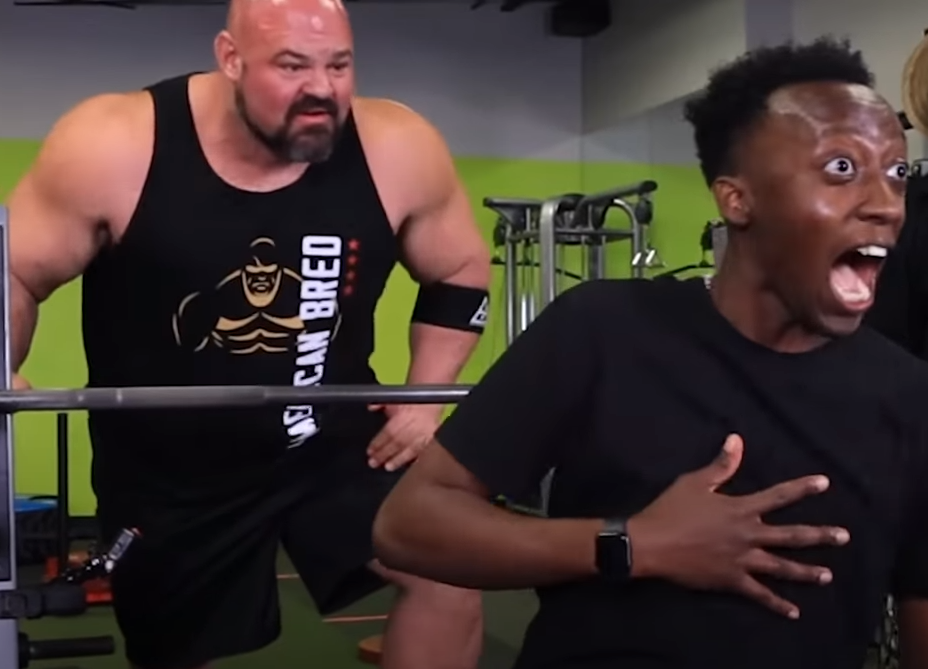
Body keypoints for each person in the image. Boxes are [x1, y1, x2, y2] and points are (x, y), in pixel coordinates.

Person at [372, 37, 928, 669]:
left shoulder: (909, 397)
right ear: (737, 198)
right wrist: (633, 543)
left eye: (897, 173)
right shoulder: (601, 329)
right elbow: (408, 525)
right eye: (842, 169)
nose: (885, 205)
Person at [5, 0, 491, 668]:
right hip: (168, 468)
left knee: (449, 570)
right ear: (230, 58)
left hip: (331, 439)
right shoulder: (114, 143)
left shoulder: (396, 147)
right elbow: (15, 273)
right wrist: (3, 359)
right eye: (292, 66)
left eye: (338, 65)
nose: (321, 89)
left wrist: (424, 399)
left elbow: (460, 273)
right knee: (174, 651)